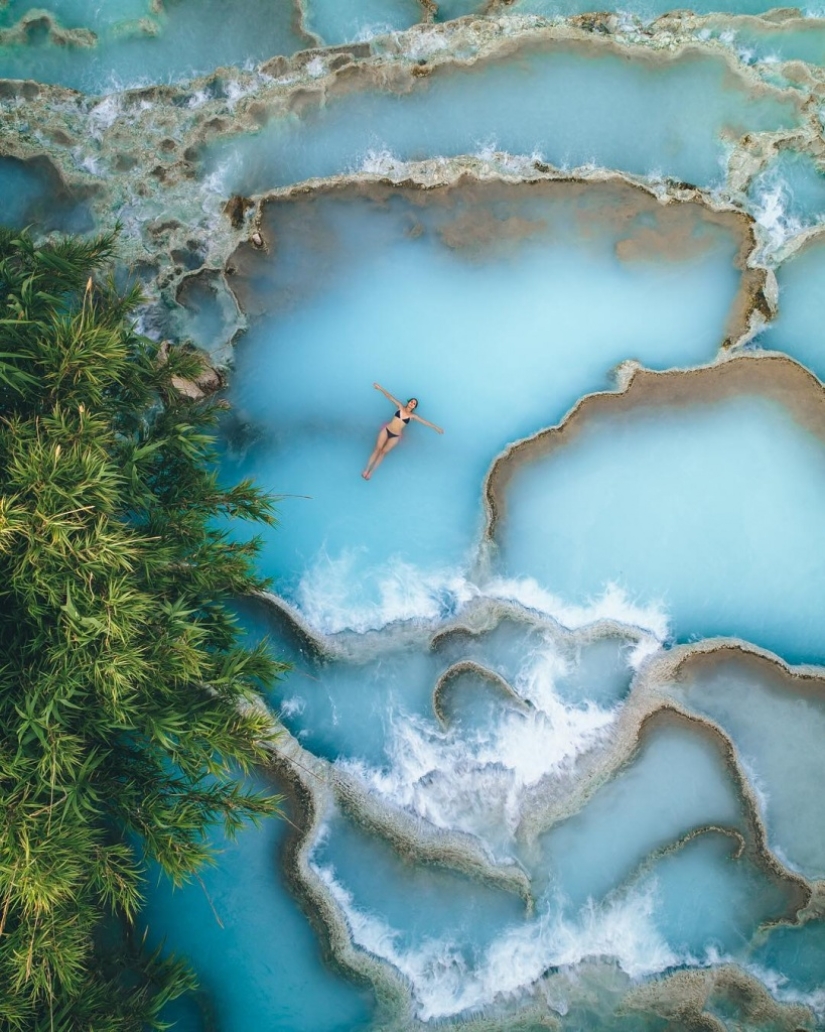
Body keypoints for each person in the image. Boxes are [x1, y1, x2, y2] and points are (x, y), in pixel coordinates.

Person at [362, 382, 443, 479]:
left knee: (383, 453)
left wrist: (436, 428)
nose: (412, 403)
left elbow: (425, 422)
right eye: (412, 401)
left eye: (414, 404)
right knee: (377, 449)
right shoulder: (400, 406)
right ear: (408, 402)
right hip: (387, 430)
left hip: (395, 436)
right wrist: (380, 388)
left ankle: (371, 472)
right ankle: (366, 469)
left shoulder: (413, 416)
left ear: (414, 407)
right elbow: (390, 397)